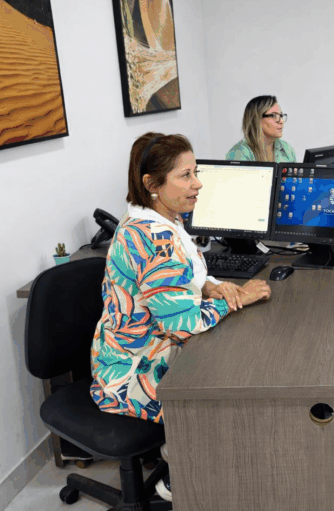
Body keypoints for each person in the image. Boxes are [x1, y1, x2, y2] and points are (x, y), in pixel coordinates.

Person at [90, 132, 271, 501]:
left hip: (131, 350)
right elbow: (183, 323)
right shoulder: (153, 239)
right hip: (130, 373)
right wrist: (240, 298)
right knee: (236, 385)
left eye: (196, 173)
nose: (197, 183)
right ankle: (186, 471)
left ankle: (183, 450)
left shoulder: (156, 219)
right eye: (186, 175)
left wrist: (211, 286)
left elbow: (184, 276)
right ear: (151, 184)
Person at [225, 95, 297, 162]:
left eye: (281, 115)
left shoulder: (287, 149)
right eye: (274, 116)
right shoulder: (239, 153)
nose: (281, 121)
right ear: (257, 119)